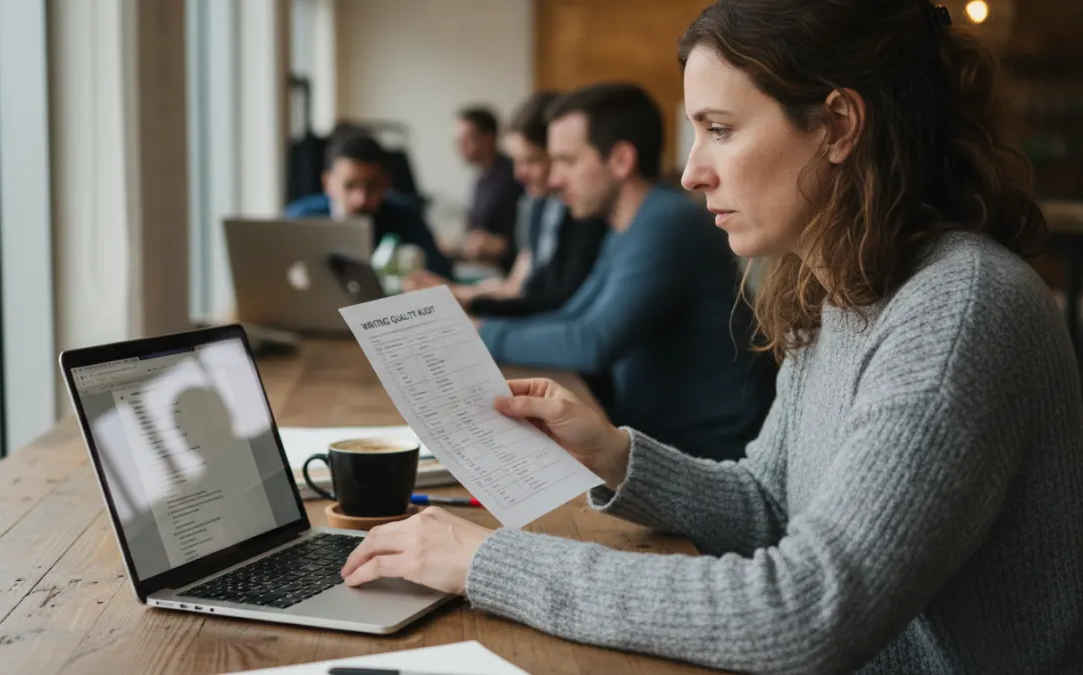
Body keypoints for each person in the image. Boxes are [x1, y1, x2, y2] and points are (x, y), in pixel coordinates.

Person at [337, 1, 1083, 672]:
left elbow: (806, 612)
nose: (692, 172)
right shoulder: (845, 285)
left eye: (719, 130)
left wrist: (489, 563)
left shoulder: (958, 310)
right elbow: (771, 504)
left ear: (839, 126)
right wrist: (615, 453)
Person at [479, 82, 774, 458]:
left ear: (620, 160)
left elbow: (593, 342)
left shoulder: (668, 222)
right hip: (654, 440)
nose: (554, 179)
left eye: (567, 161)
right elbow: (572, 316)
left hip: (704, 455)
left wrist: (484, 334)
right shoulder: (628, 225)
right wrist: (481, 328)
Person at [405, 91, 608, 319]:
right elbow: (519, 286)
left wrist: (469, 302)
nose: (519, 175)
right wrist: (457, 293)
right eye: (516, 161)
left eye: (532, 160)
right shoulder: (538, 205)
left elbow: (558, 304)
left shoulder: (587, 212)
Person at [285, 133, 453, 279]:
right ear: (328, 183)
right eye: (350, 186)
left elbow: (440, 275)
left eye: (372, 186)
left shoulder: (406, 216)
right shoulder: (299, 219)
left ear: (387, 183)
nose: (361, 199)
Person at [453, 106, 525, 268]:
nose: (460, 147)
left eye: (466, 140)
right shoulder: (481, 180)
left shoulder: (515, 175)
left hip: (509, 267)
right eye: (458, 141)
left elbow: (527, 237)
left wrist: (502, 246)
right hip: (485, 265)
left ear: (488, 138)